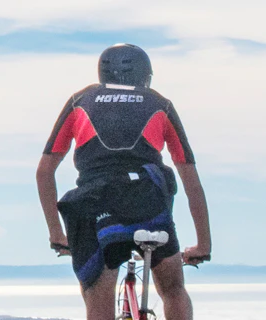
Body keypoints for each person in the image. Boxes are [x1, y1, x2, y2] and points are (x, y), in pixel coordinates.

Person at [36, 43, 211, 319]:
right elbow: (191, 182)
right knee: (173, 289)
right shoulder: (159, 104)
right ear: (145, 75)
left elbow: (44, 172)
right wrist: (204, 245)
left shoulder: (79, 101)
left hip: (95, 206)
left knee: (97, 294)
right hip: (148, 202)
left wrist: (57, 234)